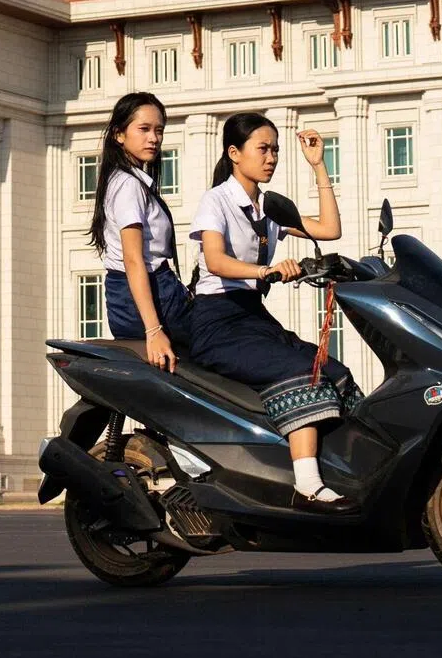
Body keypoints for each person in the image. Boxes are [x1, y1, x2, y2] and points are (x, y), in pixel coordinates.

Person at [188, 112, 364, 513]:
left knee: (336, 372)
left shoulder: (269, 206)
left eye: (276, 151)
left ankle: (348, 471)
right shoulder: (216, 201)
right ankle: (307, 485)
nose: (271, 158)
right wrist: (265, 270)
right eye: (263, 149)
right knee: (306, 374)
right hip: (218, 322)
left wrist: (318, 165)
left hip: (253, 319)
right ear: (234, 153)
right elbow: (215, 261)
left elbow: (330, 229)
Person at [88, 92, 191, 371]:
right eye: (143, 129)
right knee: (223, 338)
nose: (154, 138)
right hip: (147, 298)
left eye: (159, 130)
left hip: (138, 296)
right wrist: (154, 330)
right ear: (119, 135)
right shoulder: (128, 186)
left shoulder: (130, 181)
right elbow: (133, 259)